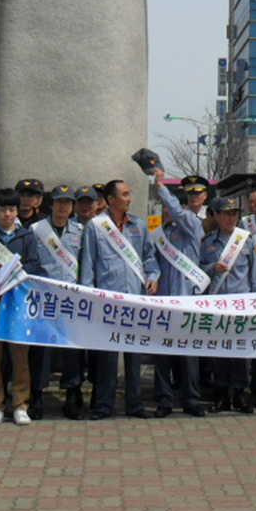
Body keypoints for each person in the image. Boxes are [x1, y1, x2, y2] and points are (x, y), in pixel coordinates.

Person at [79, 179, 159, 419]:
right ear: (110, 200)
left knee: (134, 355)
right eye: (124, 194)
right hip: (107, 301)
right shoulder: (95, 227)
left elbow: (149, 257)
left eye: (129, 194)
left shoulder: (139, 226)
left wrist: (153, 276)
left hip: (135, 299)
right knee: (107, 357)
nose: (129, 198)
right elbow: (88, 265)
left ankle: (134, 404)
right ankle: (104, 405)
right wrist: (88, 295)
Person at [0, 188, 43, 426]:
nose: (7, 214)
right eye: (3, 209)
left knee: (20, 357)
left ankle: (20, 404)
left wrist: (19, 270)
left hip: (17, 305)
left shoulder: (26, 237)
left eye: (12, 209)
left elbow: (36, 265)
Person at [149, 168, 207, 417]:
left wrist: (161, 187)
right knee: (163, 353)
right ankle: (164, 400)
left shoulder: (193, 227)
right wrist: (152, 277)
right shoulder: (160, 235)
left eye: (171, 209)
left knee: (188, 354)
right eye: (164, 209)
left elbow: (179, 213)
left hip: (187, 300)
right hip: (164, 301)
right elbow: (150, 260)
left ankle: (191, 400)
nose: (166, 212)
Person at [200, 195, 256, 413]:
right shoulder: (207, 242)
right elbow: (199, 271)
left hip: (242, 304)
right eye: (226, 213)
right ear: (216, 216)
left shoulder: (247, 240)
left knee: (240, 353)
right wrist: (212, 268)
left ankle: (239, 393)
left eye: (234, 214)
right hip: (217, 305)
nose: (231, 218)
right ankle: (221, 395)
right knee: (218, 351)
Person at [28, 183, 83, 419]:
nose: (64, 206)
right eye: (60, 201)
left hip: (72, 299)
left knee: (72, 348)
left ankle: (72, 394)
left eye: (68, 202)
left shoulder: (80, 231)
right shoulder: (36, 230)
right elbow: (29, 261)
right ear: (52, 204)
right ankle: (37, 395)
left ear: (72, 206)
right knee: (42, 349)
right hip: (44, 298)